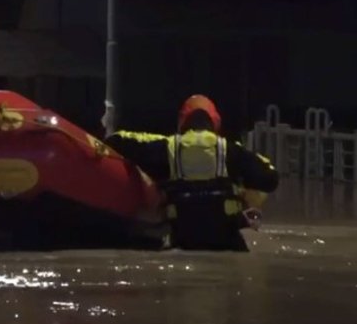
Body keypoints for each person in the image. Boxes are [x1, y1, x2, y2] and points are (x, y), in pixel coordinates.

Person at [104, 94, 279, 251]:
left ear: (182, 121)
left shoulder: (168, 147)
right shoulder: (231, 151)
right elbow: (271, 179)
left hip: (182, 237)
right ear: (215, 122)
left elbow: (117, 141)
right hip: (226, 239)